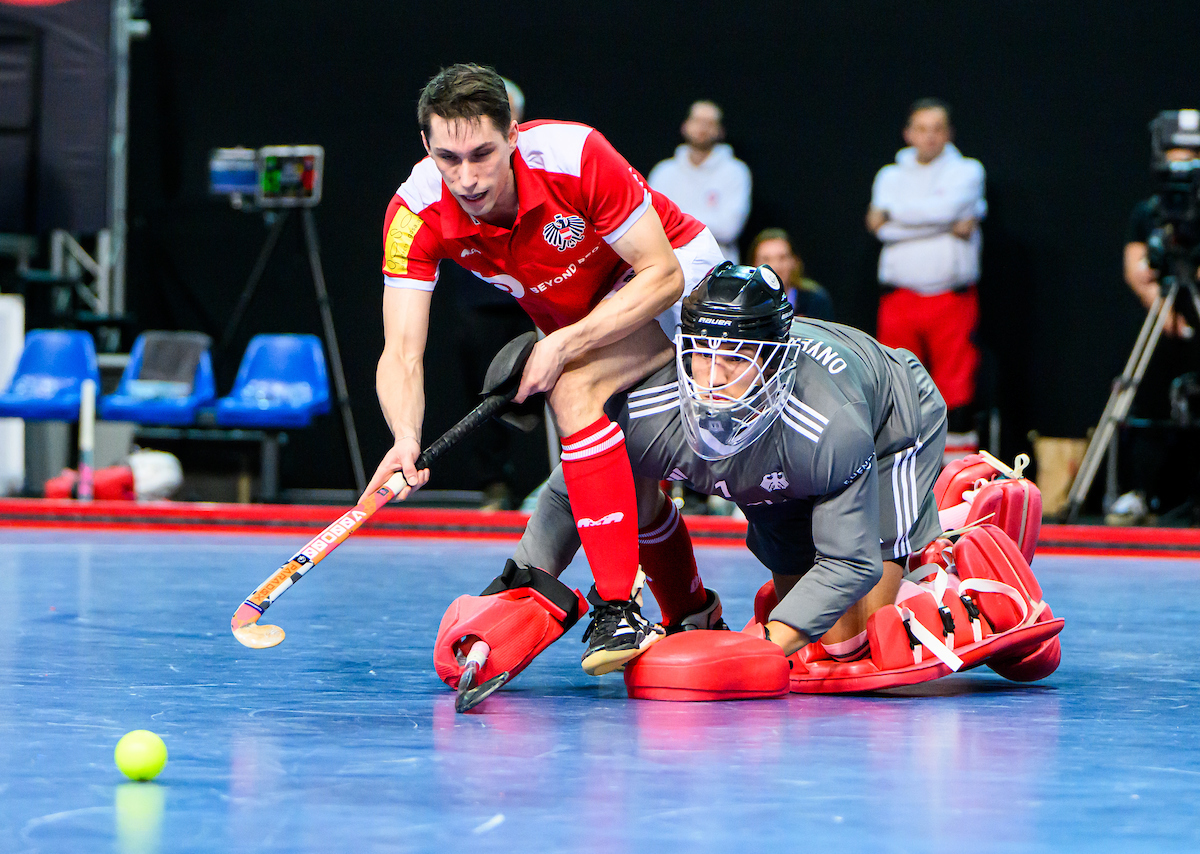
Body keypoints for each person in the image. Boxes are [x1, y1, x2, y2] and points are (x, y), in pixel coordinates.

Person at [369, 64, 724, 676]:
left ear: (513, 133)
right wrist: (404, 437)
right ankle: (693, 614)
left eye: (482, 154)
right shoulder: (413, 212)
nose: (467, 177)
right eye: (448, 158)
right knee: (628, 490)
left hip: (676, 280)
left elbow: (663, 274)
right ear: (427, 146)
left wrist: (562, 346)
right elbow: (400, 351)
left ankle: (618, 607)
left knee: (574, 386)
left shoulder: (574, 154)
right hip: (583, 313)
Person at [510, 261, 948, 660]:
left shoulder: (830, 427)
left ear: (771, 362)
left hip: (890, 420)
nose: (713, 379)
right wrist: (515, 593)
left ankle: (942, 550)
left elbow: (850, 563)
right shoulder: (644, 411)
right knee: (824, 638)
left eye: (735, 358)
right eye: (703, 352)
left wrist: (759, 648)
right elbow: (574, 494)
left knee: (856, 642)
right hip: (782, 466)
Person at [867, 98, 985, 464]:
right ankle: (898, 467)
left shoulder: (967, 171)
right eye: (921, 129)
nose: (929, 137)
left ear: (949, 134)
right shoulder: (890, 175)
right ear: (908, 134)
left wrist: (896, 221)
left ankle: (957, 474)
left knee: (956, 386)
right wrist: (944, 224)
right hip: (899, 298)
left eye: (937, 129)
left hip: (951, 297)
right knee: (896, 384)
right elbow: (877, 227)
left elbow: (892, 222)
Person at [443, 77, 536, 511]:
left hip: (539, 300)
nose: (469, 175)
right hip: (480, 301)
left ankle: (556, 483)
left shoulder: (544, 167)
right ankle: (495, 485)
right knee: (486, 394)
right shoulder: (448, 182)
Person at [1113, 137, 1200, 523]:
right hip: (1159, 321)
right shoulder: (1149, 212)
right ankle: (1138, 492)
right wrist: (1163, 310)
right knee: (1145, 400)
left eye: (1189, 163)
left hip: (1195, 316)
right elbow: (1137, 268)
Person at [648, 101, 752, 263]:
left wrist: (674, 221)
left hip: (717, 266)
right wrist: (703, 223)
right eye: (697, 120)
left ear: (721, 131)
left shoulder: (736, 172)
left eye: (709, 123)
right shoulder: (663, 172)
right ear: (685, 126)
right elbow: (651, 223)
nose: (702, 128)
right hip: (670, 263)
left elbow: (729, 228)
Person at [747, 228, 834, 321]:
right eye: (766, 259)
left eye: (782, 258)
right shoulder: (744, 303)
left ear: (794, 261)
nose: (775, 267)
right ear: (753, 265)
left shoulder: (816, 301)